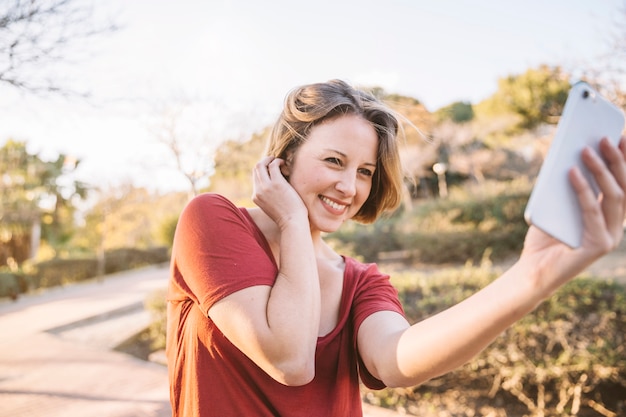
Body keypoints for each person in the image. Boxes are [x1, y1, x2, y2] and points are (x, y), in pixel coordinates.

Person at [166, 79, 626, 416]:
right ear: (282, 159)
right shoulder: (212, 219)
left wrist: (532, 276)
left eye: (365, 171)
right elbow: (289, 359)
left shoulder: (362, 281)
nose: (349, 186)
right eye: (334, 161)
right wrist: (290, 219)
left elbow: (397, 359)